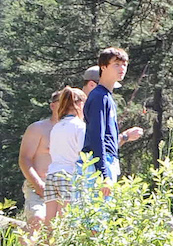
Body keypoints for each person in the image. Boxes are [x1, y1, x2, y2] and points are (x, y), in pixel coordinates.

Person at [81, 48, 142, 187]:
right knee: (99, 208)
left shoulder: (107, 97)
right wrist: (104, 175)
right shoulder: (99, 97)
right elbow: (97, 136)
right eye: (116, 64)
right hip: (98, 166)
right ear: (103, 66)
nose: (122, 68)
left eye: (124, 64)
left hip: (107, 162)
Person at [17, 90, 62, 230]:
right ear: (52, 106)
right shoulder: (38, 128)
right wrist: (38, 185)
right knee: (37, 218)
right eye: (63, 103)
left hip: (64, 189)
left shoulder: (76, 129)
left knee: (55, 231)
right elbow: (24, 159)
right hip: (38, 187)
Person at [44, 87, 89, 222]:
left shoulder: (57, 126)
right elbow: (83, 153)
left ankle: (43, 243)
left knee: (50, 222)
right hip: (69, 174)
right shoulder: (80, 126)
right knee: (66, 221)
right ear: (80, 104)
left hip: (52, 175)